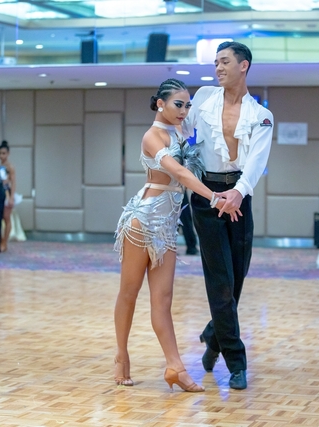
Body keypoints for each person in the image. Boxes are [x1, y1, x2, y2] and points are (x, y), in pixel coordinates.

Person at [113, 78, 239, 392]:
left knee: (163, 300)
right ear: (160, 104)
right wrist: (214, 198)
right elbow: (180, 173)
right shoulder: (152, 136)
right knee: (129, 293)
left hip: (167, 227)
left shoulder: (181, 132)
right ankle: (121, 356)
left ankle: (175, 367)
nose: (184, 110)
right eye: (178, 104)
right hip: (142, 221)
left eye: (187, 105)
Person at [181, 41, 274, 390]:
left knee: (236, 280)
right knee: (220, 281)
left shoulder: (261, 115)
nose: (218, 68)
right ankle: (237, 362)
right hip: (206, 196)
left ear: (243, 65)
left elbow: (257, 160)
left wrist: (238, 192)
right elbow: (180, 128)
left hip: (239, 197)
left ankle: (213, 337)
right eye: (215, 62)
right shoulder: (204, 97)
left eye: (224, 62)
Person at [0, 140, 16, 252]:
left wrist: (11, 197)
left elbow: (13, 182)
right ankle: (0, 240)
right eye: (0, 153)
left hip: (7, 193)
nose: (1, 156)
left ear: (8, 154)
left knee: (6, 218)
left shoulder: (10, 167)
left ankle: (5, 241)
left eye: (4, 153)